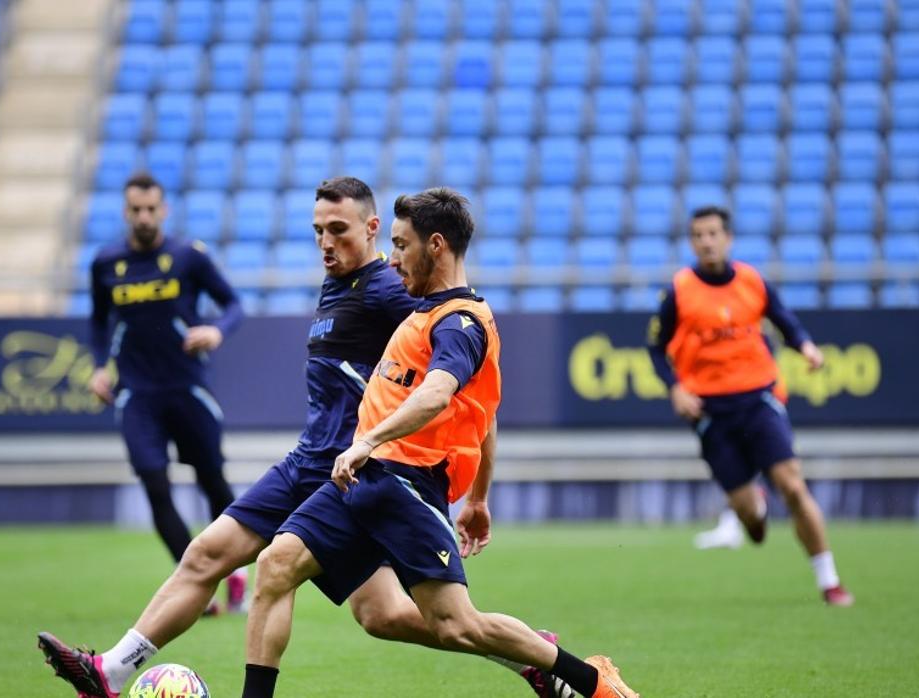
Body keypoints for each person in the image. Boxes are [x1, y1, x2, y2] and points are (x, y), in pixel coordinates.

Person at [40, 177, 574, 698]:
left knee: (381, 612)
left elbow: (460, 387)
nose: (325, 242)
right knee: (229, 562)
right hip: (309, 460)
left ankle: (530, 654)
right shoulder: (338, 282)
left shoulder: (392, 292)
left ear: (370, 228)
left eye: (337, 229)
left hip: (350, 471)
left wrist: (473, 490)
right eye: (317, 230)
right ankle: (110, 671)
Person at [238, 188, 639, 698]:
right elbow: (486, 414)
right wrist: (478, 497)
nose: (394, 257)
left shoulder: (462, 324)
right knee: (276, 565)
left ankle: (593, 682)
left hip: (404, 482)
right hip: (364, 481)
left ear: (436, 246)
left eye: (402, 245)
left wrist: (369, 442)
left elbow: (436, 393)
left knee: (457, 625)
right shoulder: (426, 312)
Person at [648, 205, 854, 606]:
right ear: (692, 242)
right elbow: (656, 348)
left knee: (793, 485)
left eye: (713, 233)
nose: (706, 241)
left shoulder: (751, 281)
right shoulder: (679, 290)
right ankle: (752, 511)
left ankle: (829, 581)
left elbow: (784, 321)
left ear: (727, 238)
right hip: (710, 411)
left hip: (758, 398)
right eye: (698, 235)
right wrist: (675, 388)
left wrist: (807, 347)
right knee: (753, 524)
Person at [87, 172, 244, 594]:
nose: (143, 217)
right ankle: (196, 580)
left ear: (163, 210)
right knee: (155, 486)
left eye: (151, 209)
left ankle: (234, 572)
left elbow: (232, 304)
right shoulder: (105, 263)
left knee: (212, 481)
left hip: (188, 389)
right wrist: (101, 366)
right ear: (125, 212)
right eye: (136, 210)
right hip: (137, 395)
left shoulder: (188, 257)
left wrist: (217, 332)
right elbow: (100, 323)